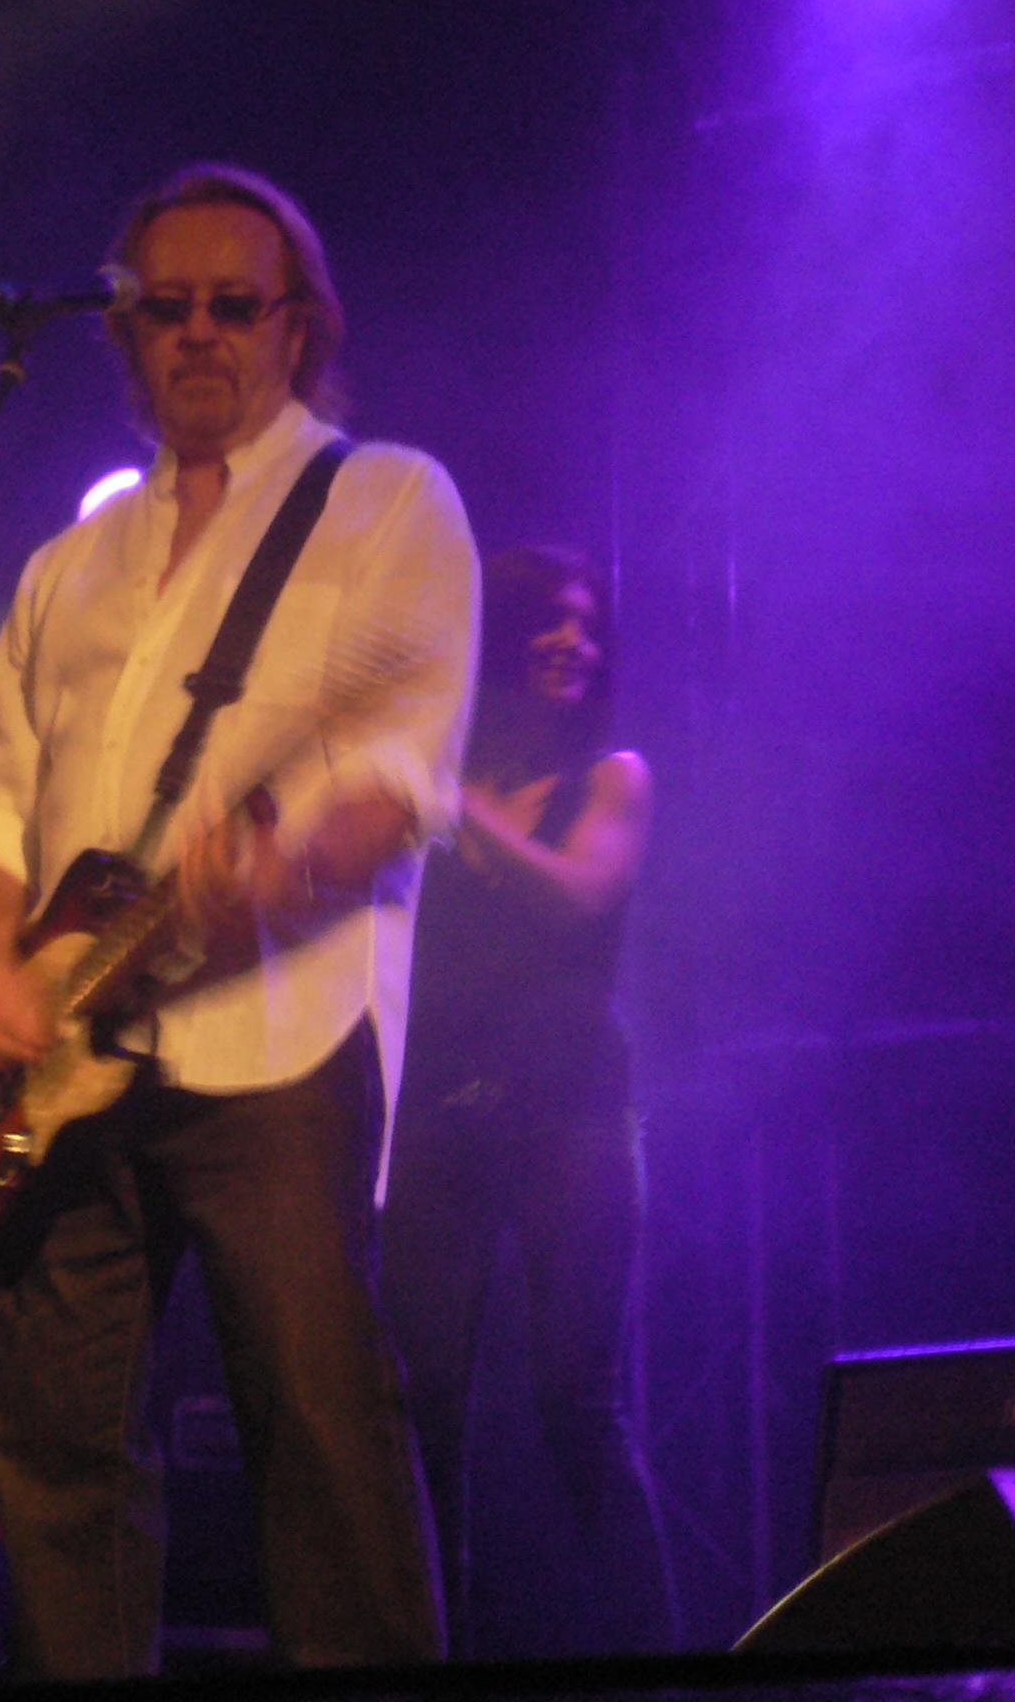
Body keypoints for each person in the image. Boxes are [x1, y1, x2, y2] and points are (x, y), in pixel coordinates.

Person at [0, 163, 479, 1676]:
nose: (198, 333)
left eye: (235, 305)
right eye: (163, 307)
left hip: (275, 1040)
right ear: (123, 334)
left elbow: (396, 779)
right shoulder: (67, 567)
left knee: (320, 1427)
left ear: (300, 325)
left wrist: (281, 873)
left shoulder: (385, 504)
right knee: (51, 1443)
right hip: (63, 1067)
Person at [381, 544, 677, 1656]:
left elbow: (582, 896)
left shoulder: (611, 778)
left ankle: (660, 1660)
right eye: (552, 619)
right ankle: (436, 1653)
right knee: (424, 1408)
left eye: (590, 625)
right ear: (499, 636)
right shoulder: (439, 782)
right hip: (439, 1113)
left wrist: (452, 805)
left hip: (572, 1116)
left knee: (577, 1401)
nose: (574, 642)